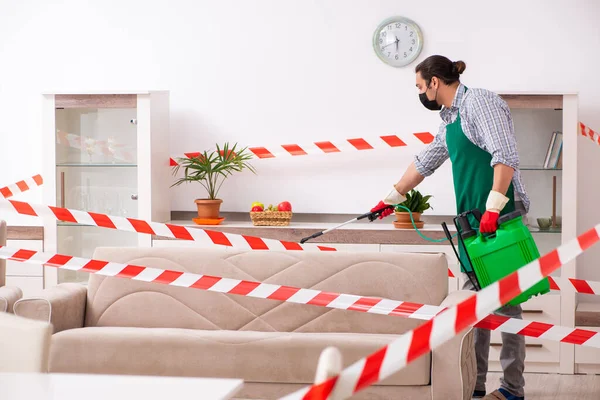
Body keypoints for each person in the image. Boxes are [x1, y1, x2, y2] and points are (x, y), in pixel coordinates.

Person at [371, 55, 528, 400]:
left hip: (498, 217)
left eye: (419, 86)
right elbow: (427, 159)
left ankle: (513, 389)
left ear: (434, 83)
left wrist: (494, 207)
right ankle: (475, 384)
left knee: (507, 304)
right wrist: (392, 196)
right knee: (474, 306)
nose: (419, 93)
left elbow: (505, 155)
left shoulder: (479, 102)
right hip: (472, 220)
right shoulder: (450, 117)